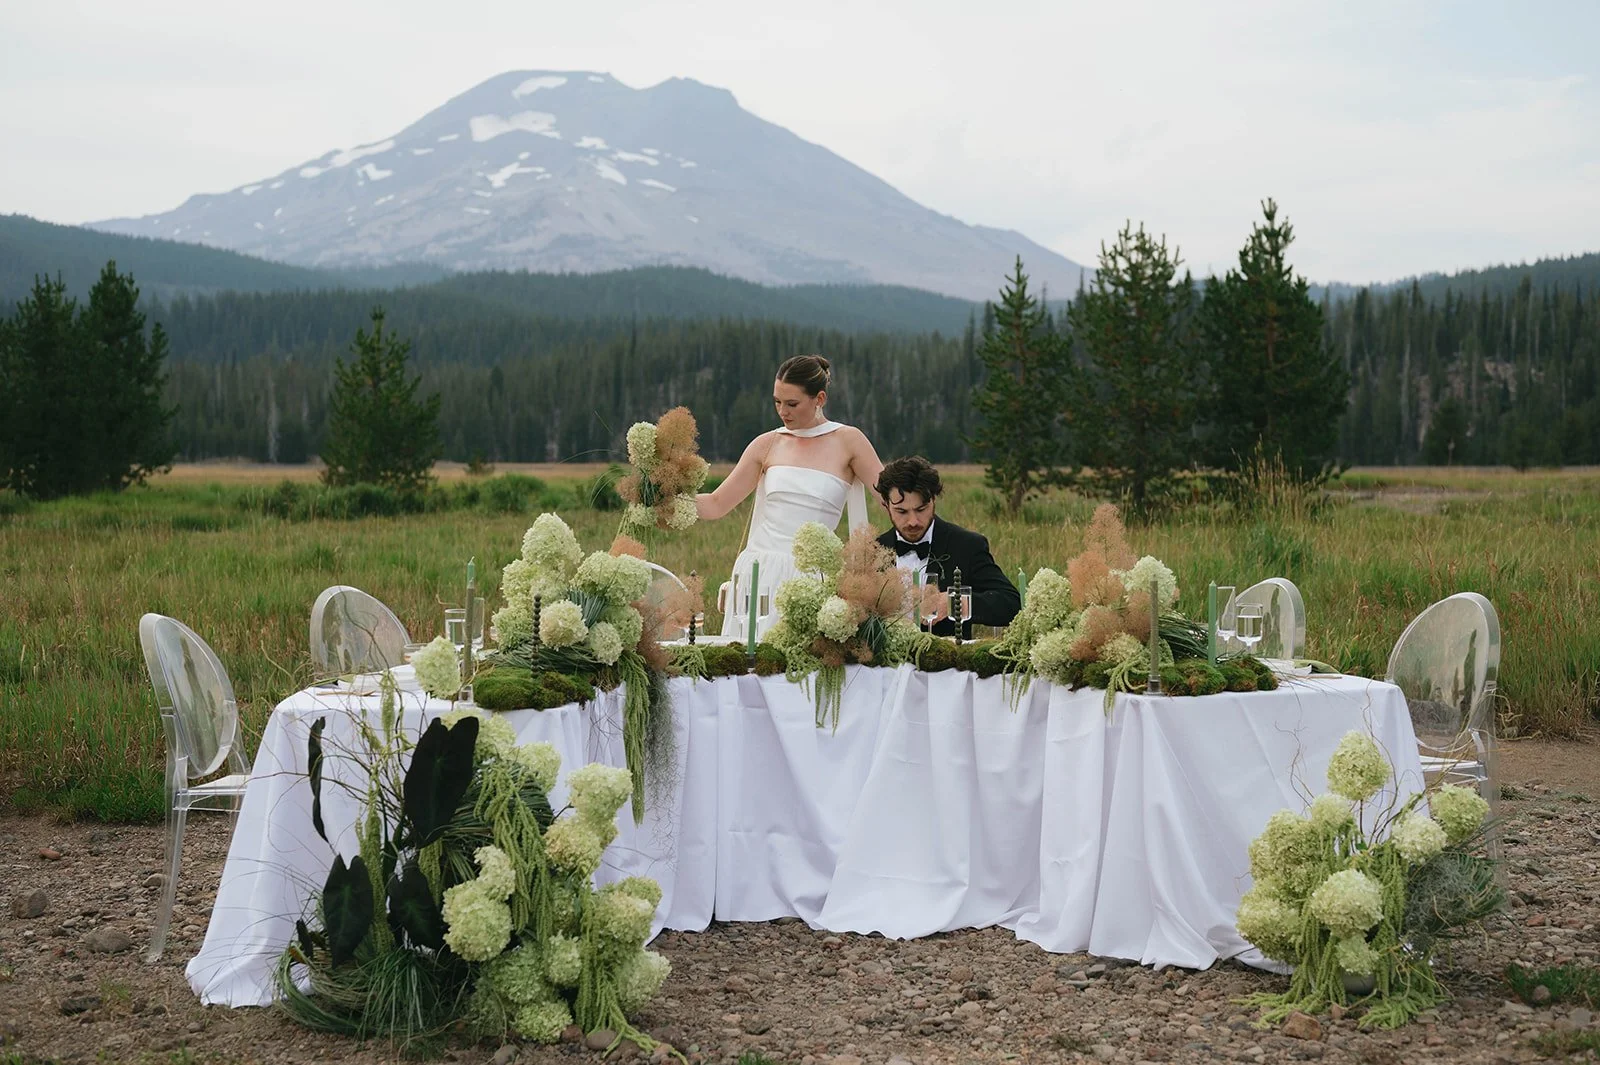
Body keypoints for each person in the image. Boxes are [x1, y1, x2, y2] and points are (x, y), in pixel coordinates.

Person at [696, 355, 885, 637]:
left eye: (792, 404)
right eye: (777, 402)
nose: (782, 412)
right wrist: (666, 498)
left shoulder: (849, 441)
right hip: (759, 573)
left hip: (813, 579)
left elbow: (893, 500)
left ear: (819, 398)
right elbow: (716, 504)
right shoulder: (767, 443)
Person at [875, 456, 1020, 639]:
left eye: (921, 509)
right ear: (886, 505)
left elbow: (1011, 603)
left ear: (933, 500)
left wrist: (957, 603)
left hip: (948, 657)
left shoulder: (967, 545)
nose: (913, 521)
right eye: (902, 511)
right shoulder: (872, 550)